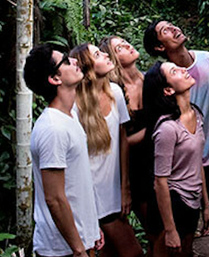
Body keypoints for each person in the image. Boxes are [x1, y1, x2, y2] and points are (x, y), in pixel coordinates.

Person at [143, 21, 209, 257]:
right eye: (165, 31)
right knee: (179, 239)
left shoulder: (207, 60)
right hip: (180, 171)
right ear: (159, 47)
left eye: (172, 25)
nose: (174, 29)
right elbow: (160, 177)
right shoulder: (164, 83)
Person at [23, 44, 104, 257]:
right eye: (66, 61)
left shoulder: (70, 116)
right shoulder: (53, 128)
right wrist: (78, 249)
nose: (75, 61)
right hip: (61, 249)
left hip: (78, 241)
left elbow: (77, 184)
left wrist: (92, 228)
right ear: (55, 78)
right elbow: (54, 198)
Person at [70, 43, 143, 257]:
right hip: (88, 195)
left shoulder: (116, 93)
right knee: (133, 252)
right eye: (97, 55)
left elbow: (122, 140)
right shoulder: (75, 105)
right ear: (88, 67)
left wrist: (125, 187)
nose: (105, 55)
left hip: (112, 191)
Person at [143, 60, 209, 257]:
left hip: (192, 200)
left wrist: (205, 206)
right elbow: (160, 182)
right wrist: (170, 229)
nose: (183, 70)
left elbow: (198, 162)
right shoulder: (167, 128)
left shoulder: (196, 114)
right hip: (172, 202)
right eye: (175, 71)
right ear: (168, 90)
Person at [99, 36, 154, 239]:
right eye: (120, 48)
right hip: (134, 169)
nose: (128, 46)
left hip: (162, 162)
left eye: (125, 42)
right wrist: (150, 132)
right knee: (155, 232)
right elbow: (114, 141)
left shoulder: (152, 80)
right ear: (113, 59)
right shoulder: (114, 92)